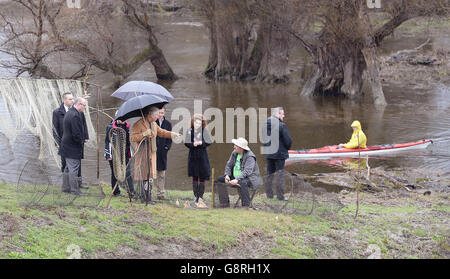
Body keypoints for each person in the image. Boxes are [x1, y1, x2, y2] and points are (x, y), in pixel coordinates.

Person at [130, 106, 180, 204]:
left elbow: (161, 132)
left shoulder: (153, 124)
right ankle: (143, 196)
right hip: (142, 154)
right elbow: (132, 138)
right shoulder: (138, 124)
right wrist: (144, 134)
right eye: (156, 115)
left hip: (152, 153)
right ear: (150, 114)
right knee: (144, 175)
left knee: (150, 177)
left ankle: (148, 197)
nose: (158, 117)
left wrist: (172, 134)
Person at [216, 137, 263, 208]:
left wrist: (237, 179)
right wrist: (227, 175)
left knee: (243, 182)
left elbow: (247, 171)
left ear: (241, 148)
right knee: (220, 179)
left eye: (236, 145)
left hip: (250, 179)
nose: (234, 147)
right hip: (236, 177)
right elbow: (229, 165)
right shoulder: (234, 153)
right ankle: (224, 203)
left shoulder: (250, 156)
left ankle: (246, 206)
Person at [261, 107, 292, 201]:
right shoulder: (281, 125)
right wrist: (286, 148)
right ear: (277, 114)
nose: (284, 116)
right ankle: (280, 196)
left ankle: (269, 195)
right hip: (279, 154)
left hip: (269, 152)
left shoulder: (265, 124)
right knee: (279, 175)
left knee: (269, 174)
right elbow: (288, 141)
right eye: (282, 114)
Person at [60, 97, 89, 196]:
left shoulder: (70, 112)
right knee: (73, 169)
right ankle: (75, 190)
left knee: (68, 168)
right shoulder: (75, 115)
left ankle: (65, 187)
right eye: (84, 105)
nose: (84, 107)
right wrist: (81, 141)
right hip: (72, 147)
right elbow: (76, 133)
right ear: (78, 104)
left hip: (66, 145)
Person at [184, 114, 212, 204]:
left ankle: (201, 196)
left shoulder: (204, 131)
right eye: (196, 123)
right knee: (195, 176)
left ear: (202, 123)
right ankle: (196, 196)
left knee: (202, 176)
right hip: (193, 156)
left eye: (199, 123)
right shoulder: (189, 131)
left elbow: (209, 142)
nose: (197, 124)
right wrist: (193, 144)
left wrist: (201, 143)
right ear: (193, 122)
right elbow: (186, 142)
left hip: (202, 156)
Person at [105, 116, 135, 197]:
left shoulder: (126, 127)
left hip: (124, 153)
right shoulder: (111, 127)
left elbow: (128, 142)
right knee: (115, 173)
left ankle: (131, 191)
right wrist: (108, 154)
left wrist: (130, 153)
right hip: (114, 153)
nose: (123, 120)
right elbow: (107, 141)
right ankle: (115, 191)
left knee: (127, 172)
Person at [52, 92, 74, 172]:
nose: (72, 101)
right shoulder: (57, 112)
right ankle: (66, 183)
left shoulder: (75, 111)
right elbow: (55, 128)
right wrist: (57, 143)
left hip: (74, 142)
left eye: (73, 99)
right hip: (63, 142)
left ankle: (77, 182)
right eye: (70, 99)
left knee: (76, 163)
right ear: (64, 100)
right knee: (65, 163)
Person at [155, 107, 172, 201]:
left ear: (164, 113)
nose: (160, 115)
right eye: (158, 113)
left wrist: (167, 147)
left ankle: (160, 194)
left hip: (162, 152)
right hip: (153, 151)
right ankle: (148, 192)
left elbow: (169, 137)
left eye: (162, 113)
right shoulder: (153, 123)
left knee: (161, 174)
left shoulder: (168, 124)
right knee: (152, 174)